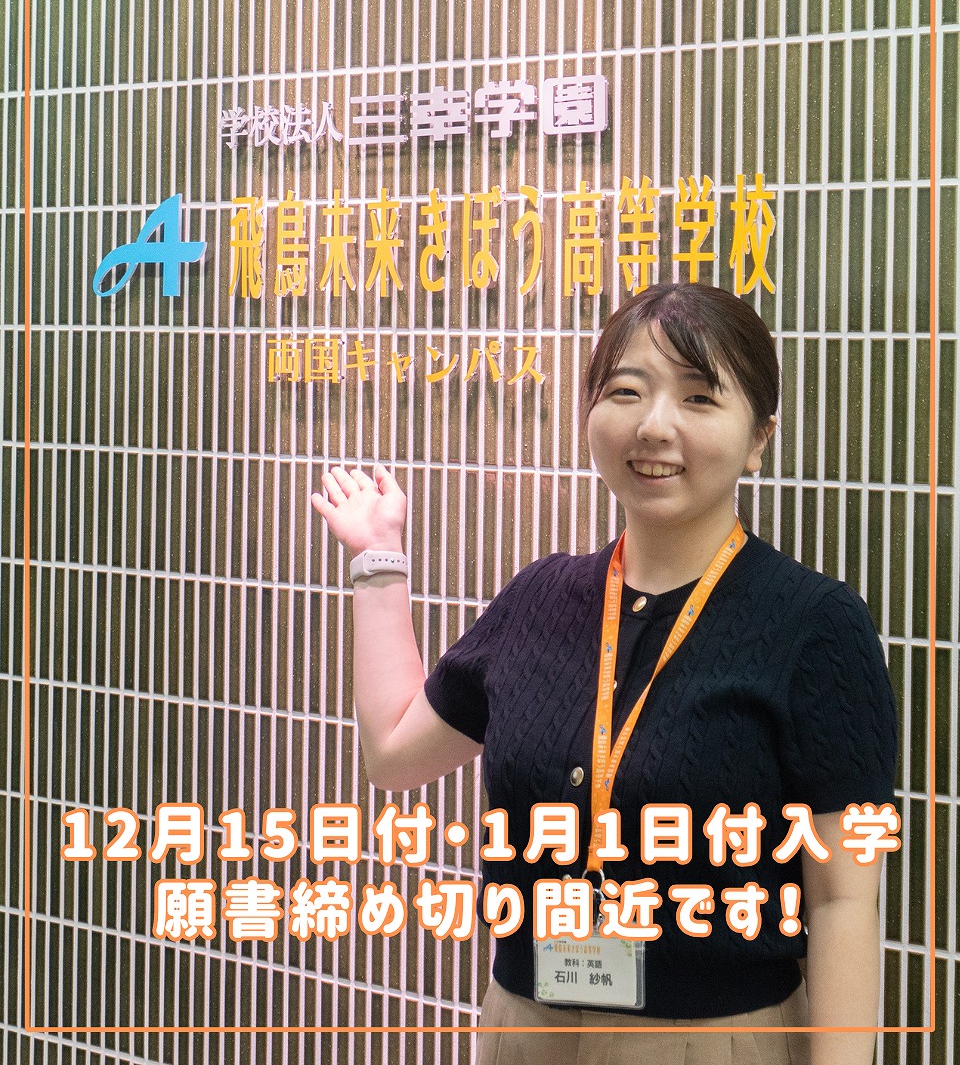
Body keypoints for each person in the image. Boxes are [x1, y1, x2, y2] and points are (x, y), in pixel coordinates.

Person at [311, 282, 898, 1065]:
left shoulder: (815, 627)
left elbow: (843, 902)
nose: (654, 425)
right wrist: (377, 560)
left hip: (714, 1043)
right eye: (626, 391)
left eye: (699, 397)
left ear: (759, 438)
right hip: (523, 1027)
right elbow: (394, 752)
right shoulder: (540, 597)